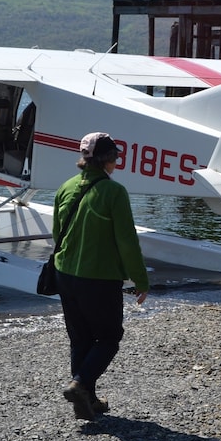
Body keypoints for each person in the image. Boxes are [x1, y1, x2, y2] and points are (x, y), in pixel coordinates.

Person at [52, 131, 150, 420]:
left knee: (80, 338)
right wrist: (140, 280)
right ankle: (80, 385)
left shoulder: (66, 187)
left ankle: (88, 401)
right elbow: (127, 241)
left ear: (84, 158)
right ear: (110, 160)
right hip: (99, 278)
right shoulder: (114, 192)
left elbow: (58, 234)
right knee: (108, 337)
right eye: (116, 156)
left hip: (65, 274)